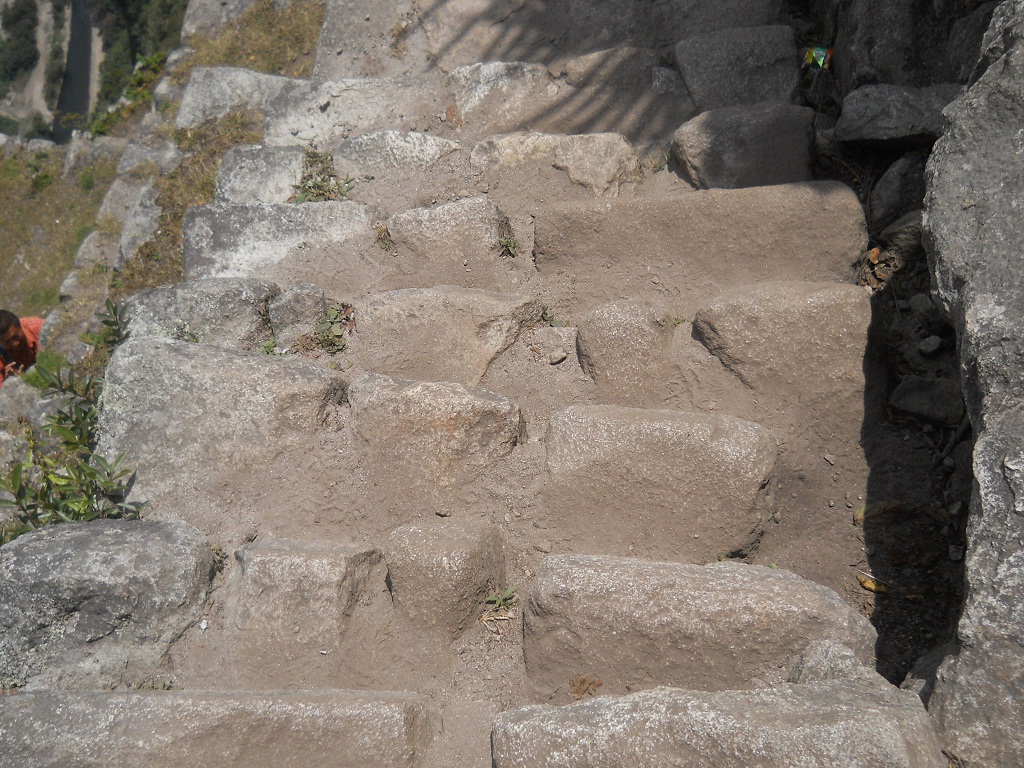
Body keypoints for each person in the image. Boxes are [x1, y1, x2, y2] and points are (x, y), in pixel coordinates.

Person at [0, 310, 44, 387]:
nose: (15, 343)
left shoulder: (39, 328)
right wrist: (10, 381)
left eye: (15, 336)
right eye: (7, 342)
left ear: (20, 325)